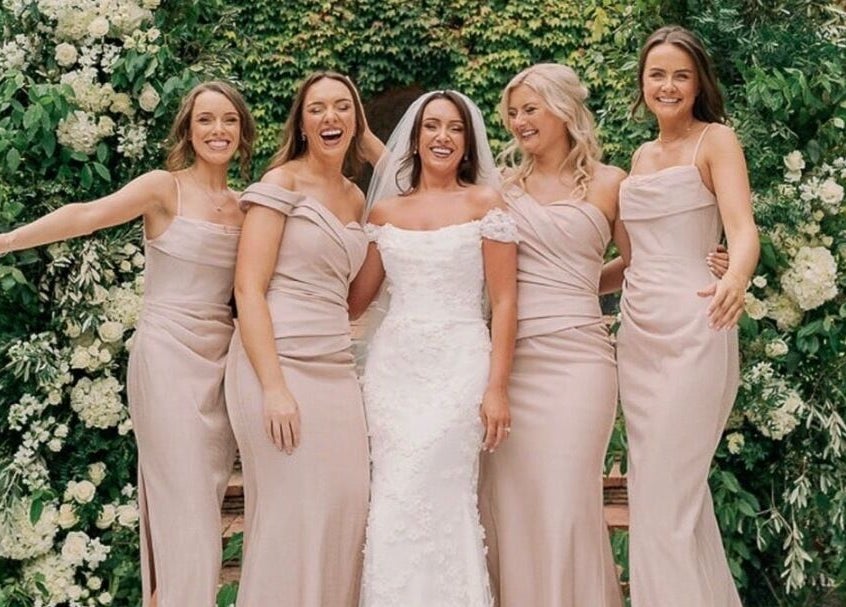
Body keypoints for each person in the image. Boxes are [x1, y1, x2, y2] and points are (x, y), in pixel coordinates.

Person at [0, 80, 256, 607]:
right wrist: (6, 240)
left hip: (219, 365)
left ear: (243, 132)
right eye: (206, 119)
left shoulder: (246, 208)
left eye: (228, 120)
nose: (218, 130)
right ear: (188, 128)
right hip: (166, 358)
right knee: (187, 508)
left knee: (202, 510)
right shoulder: (164, 188)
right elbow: (87, 215)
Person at [348, 90, 518, 607]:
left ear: (467, 143)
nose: (442, 137)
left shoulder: (486, 205)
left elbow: (506, 301)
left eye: (454, 129)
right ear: (416, 139)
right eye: (432, 127)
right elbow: (356, 301)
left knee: (440, 493)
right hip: (394, 373)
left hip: (460, 367)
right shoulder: (383, 211)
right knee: (395, 499)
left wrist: (497, 387)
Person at [224, 70, 382, 606]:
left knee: (346, 508)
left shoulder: (359, 197)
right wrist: (273, 387)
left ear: (357, 121)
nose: (330, 118)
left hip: (336, 369)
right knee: (293, 516)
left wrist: (372, 148)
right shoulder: (280, 183)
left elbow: (354, 300)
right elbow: (247, 288)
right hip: (277, 363)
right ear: (301, 122)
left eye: (343, 107)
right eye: (317, 109)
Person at [615, 25, 759, 606]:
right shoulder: (640, 155)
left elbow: (743, 229)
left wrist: (735, 276)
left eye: (681, 75)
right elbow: (631, 258)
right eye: (657, 74)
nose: (668, 85)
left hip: (698, 323)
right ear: (643, 83)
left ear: (699, 83)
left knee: (664, 502)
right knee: (666, 497)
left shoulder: (715, 140)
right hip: (638, 334)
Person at [477, 63, 625, 607]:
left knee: (567, 500)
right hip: (512, 363)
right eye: (512, 113)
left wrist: (582, 285)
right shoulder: (499, 191)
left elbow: (638, 263)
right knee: (512, 506)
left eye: (529, 109)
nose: (518, 121)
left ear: (563, 109)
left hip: (580, 362)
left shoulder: (611, 183)